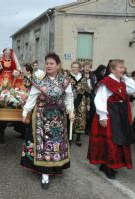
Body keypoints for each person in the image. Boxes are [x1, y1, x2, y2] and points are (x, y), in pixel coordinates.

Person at [21, 53, 75, 189]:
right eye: (47, 63)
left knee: (56, 143)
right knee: (43, 144)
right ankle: (45, 173)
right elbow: (32, 97)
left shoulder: (65, 80)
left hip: (59, 118)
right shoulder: (39, 81)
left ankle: (55, 167)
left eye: (52, 63)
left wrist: (71, 110)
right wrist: (25, 112)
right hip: (41, 116)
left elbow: (69, 97)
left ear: (58, 66)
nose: (49, 66)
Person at [87, 59, 135, 180]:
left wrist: (123, 76)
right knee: (110, 142)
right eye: (120, 67)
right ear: (112, 69)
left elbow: (132, 89)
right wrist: (103, 116)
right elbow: (100, 99)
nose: (123, 69)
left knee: (118, 140)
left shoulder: (121, 81)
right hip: (110, 114)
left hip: (120, 115)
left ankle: (106, 165)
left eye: (123, 67)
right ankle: (108, 166)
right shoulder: (106, 82)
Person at [0, 48, 25, 144]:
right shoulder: (0, 61)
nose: (7, 55)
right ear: (3, 54)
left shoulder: (12, 62)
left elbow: (16, 70)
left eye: (8, 53)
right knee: (0, 97)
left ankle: (19, 127)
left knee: (12, 98)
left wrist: (15, 72)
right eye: (5, 53)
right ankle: (0, 130)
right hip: (1, 80)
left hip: (11, 81)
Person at [69, 61, 91, 146]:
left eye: (76, 67)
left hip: (81, 101)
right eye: (73, 67)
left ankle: (78, 137)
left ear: (79, 68)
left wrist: (88, 104)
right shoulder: (67, 77)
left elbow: (88, 92)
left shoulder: (84, 79)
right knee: (69, 118)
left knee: (80, 119)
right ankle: (69, 137)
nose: (74, 68)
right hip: (70, 101)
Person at [82, 62, 96, 135]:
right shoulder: (80, 74)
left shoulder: (93, 75)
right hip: (82, 95)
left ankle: (88, 128)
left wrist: (92, 87)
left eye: (88, 67)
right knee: (82, 112)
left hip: (91, 95)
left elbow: (95, 85)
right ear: (83, 67)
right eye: (86, 66)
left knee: (91, 112)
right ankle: (81, 128)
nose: (87, 68)